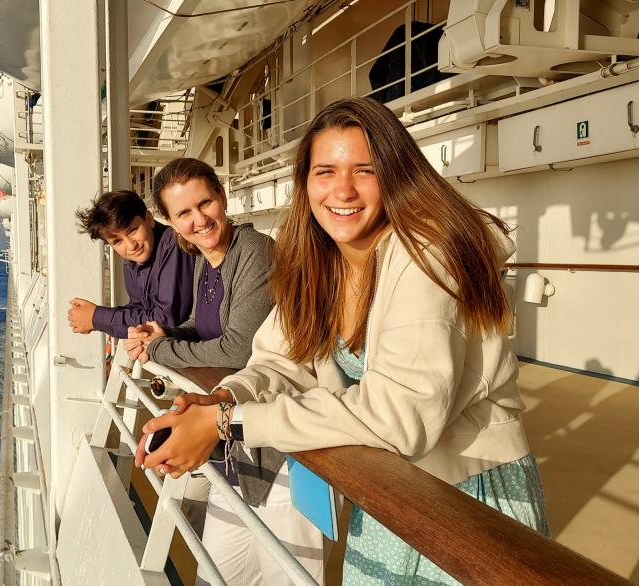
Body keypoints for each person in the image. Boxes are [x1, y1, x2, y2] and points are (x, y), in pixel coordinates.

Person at [137, 98, 549, 585]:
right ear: (306, 181)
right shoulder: (323, 259)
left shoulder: (428, 255)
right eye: (325, 171)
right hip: (392, 492)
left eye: (365, 170)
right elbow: (281, 359)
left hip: (466, 497)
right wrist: (223, 398)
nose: (342, 190)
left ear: (396, 174)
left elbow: (400, 416)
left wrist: (227, 423)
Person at [124, 157, 324, 586]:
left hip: (282, 445)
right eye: (184, 213)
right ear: (169, 221)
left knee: (285, 575)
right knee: (219, 572)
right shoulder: (203, 259)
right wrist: (162, 334)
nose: (199, 220)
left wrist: (160, 348)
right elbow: (203, 325)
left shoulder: (255, 253)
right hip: (232, 436)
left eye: (205, 203)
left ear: (223, 196)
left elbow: (237, 348)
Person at [68, 189, 193, 339]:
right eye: (117, 241)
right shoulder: (132, 262)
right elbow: (140, 309)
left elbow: (168, 319)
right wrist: (96, 317)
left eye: (133, 230)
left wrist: (98, 318)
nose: (131, 245)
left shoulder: (173, 245)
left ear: (149, 219)